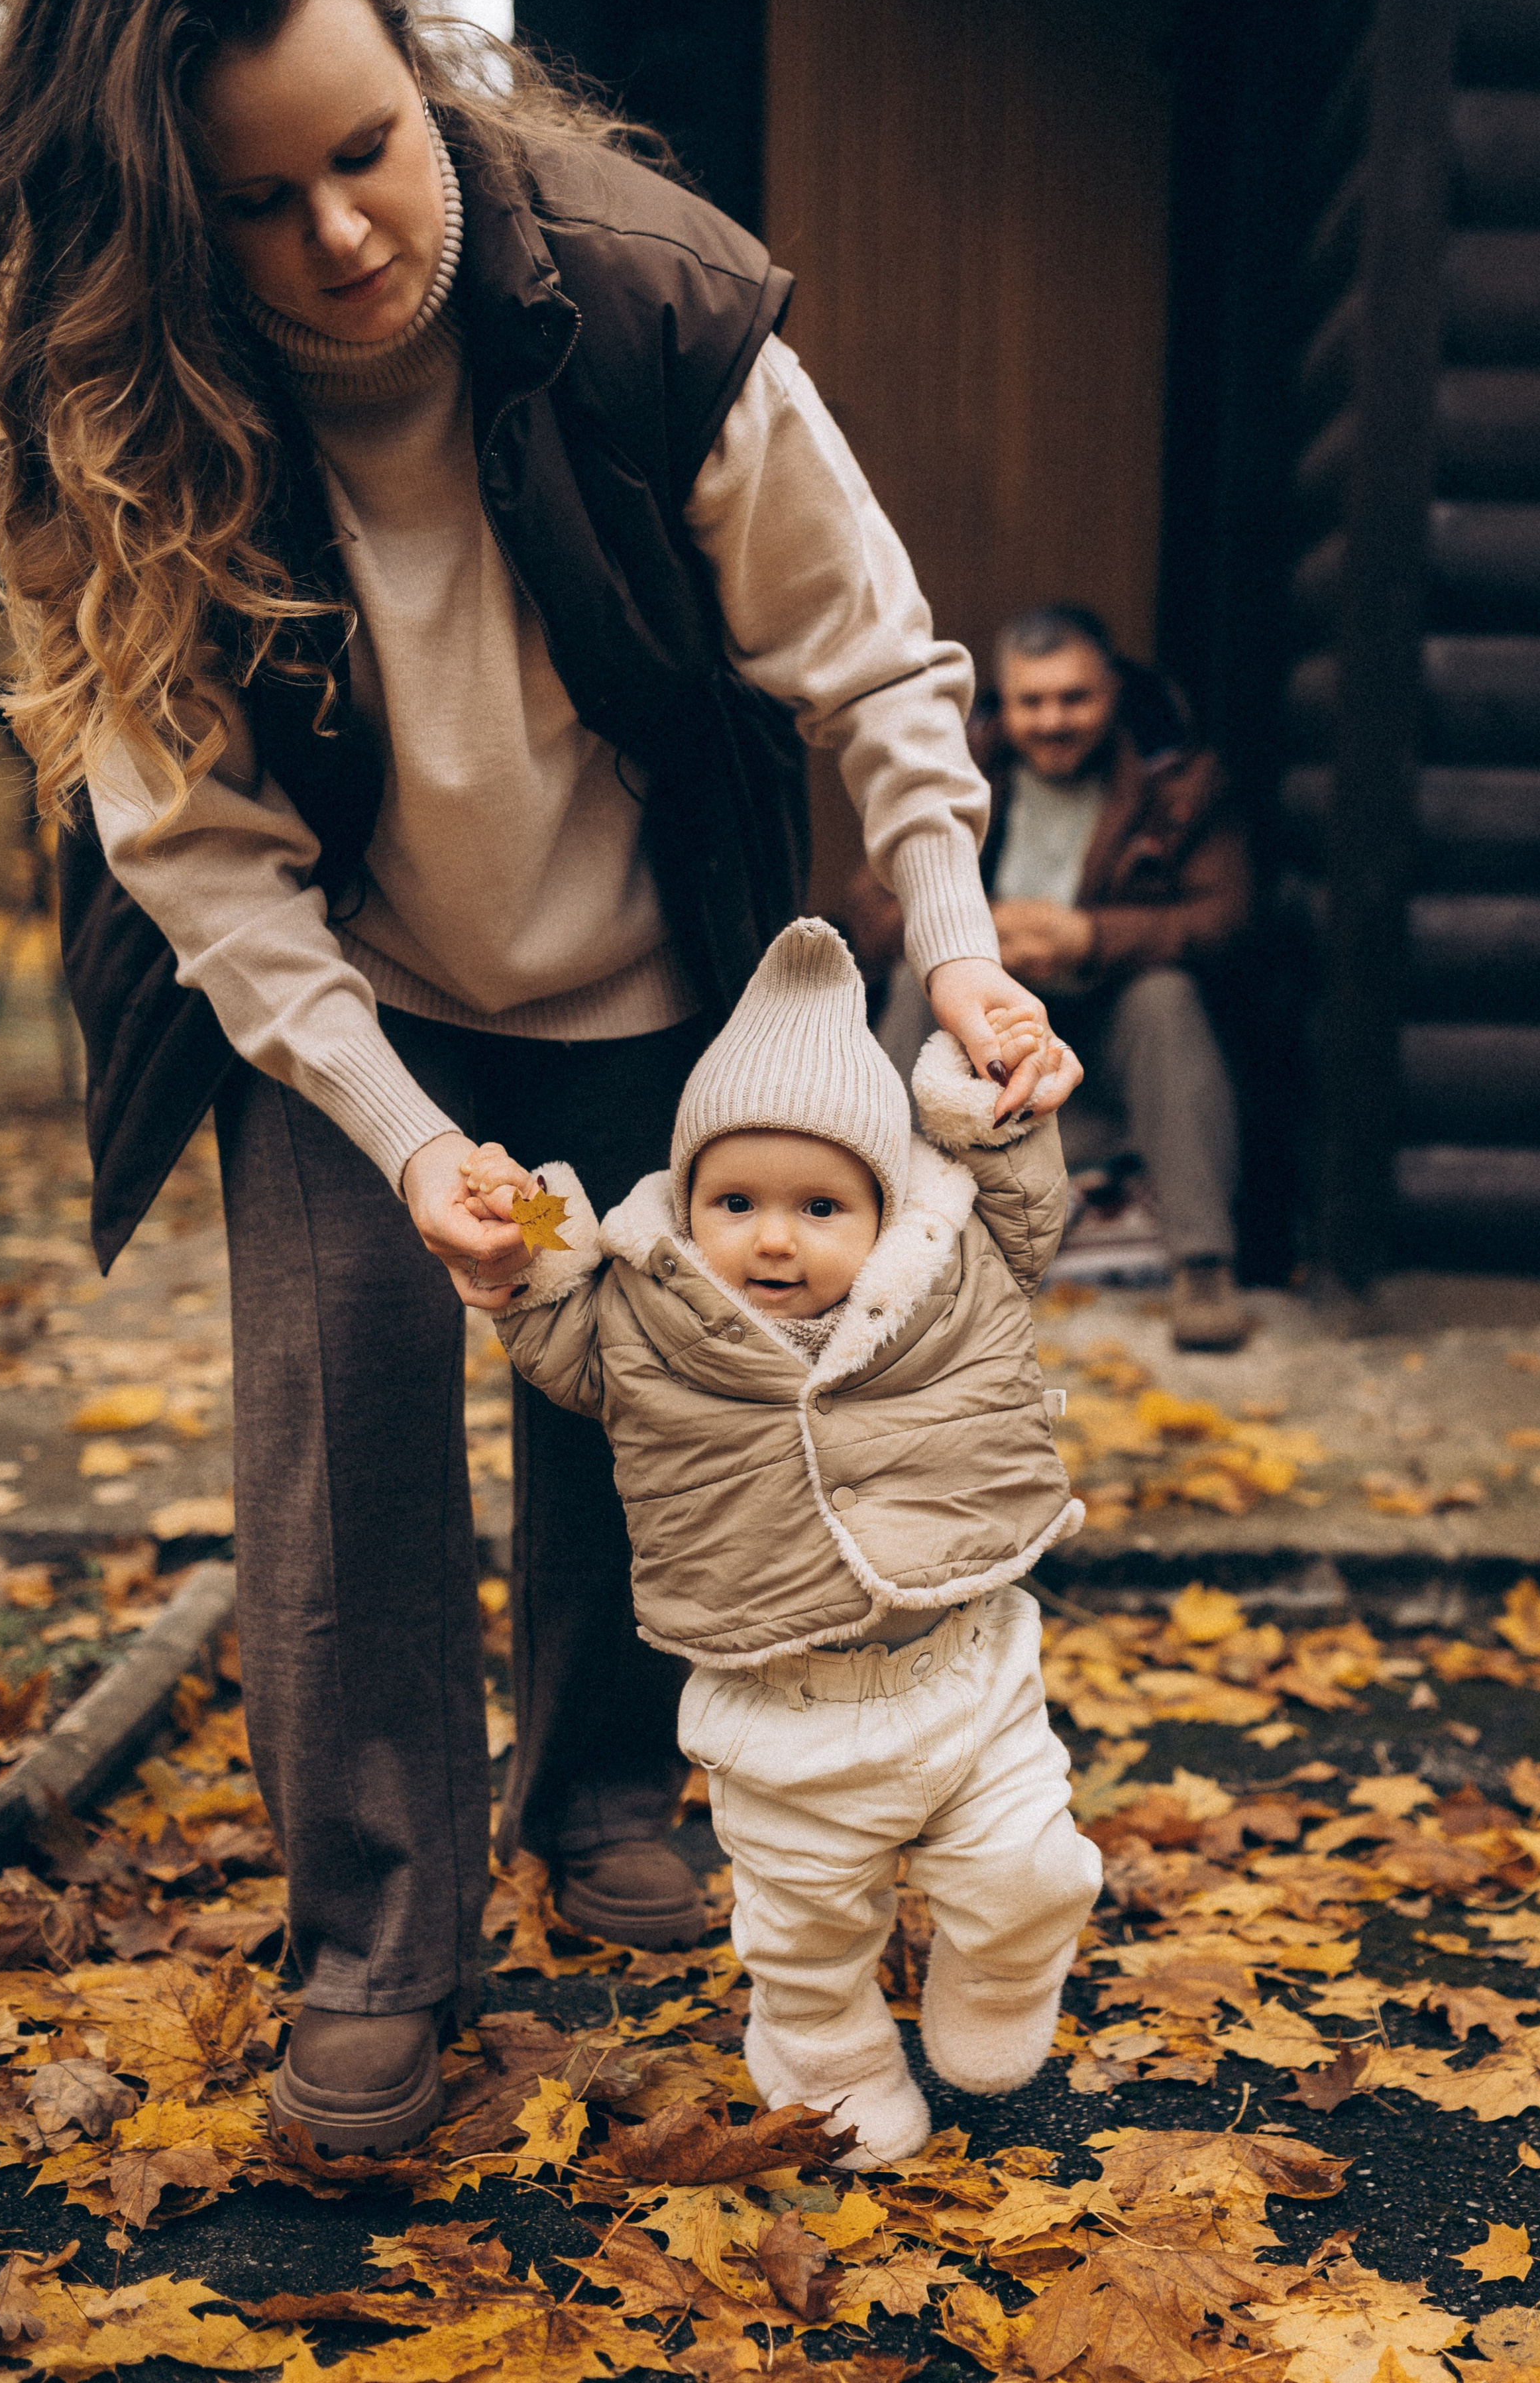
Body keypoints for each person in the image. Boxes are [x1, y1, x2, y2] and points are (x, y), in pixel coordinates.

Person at [0, 0, 1080, 2157]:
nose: (340, 235)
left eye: (365, 148)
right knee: (345, 1422)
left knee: (656, 1391)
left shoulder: (647, 301)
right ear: (166, 227)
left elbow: (872, 660)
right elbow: (199, 860)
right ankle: (381, 1941)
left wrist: (956, 939)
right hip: (347, 995)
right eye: (254, 204)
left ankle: (604, 1789)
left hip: (653, 959)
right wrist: (405, 1139)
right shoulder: (108, 425)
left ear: (421, 73)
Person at [460, 919, 1101, 2169]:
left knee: (1034, 1867)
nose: (772, 1238)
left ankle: (1005, 1965)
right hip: (782, 1707)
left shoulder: (957, 1269)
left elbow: (1019, 1188)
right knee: (805, 1933)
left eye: (819, 1206)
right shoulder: (640, 1321)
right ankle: (828, 2056)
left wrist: (995, 1097)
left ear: (886, 1206)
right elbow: (545, 1313)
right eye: (735, 1202)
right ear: (686, 1203)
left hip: (968, 1674)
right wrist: (522, 1220)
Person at [849, 603, 1252, 1352]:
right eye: (1031, 701)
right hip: (983, 1044)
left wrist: (1090, 939)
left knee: (1166, 997)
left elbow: (1228, 918)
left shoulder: (1177, 778)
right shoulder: (953, 771)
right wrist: (966, 938)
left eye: (1075, 698)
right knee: (912, 979)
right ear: (1003, 703)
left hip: (1107, 1045)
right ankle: (877, 1231)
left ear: (1113, 691)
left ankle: (1202, 1264)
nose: (1052, 721)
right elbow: (868, 909)